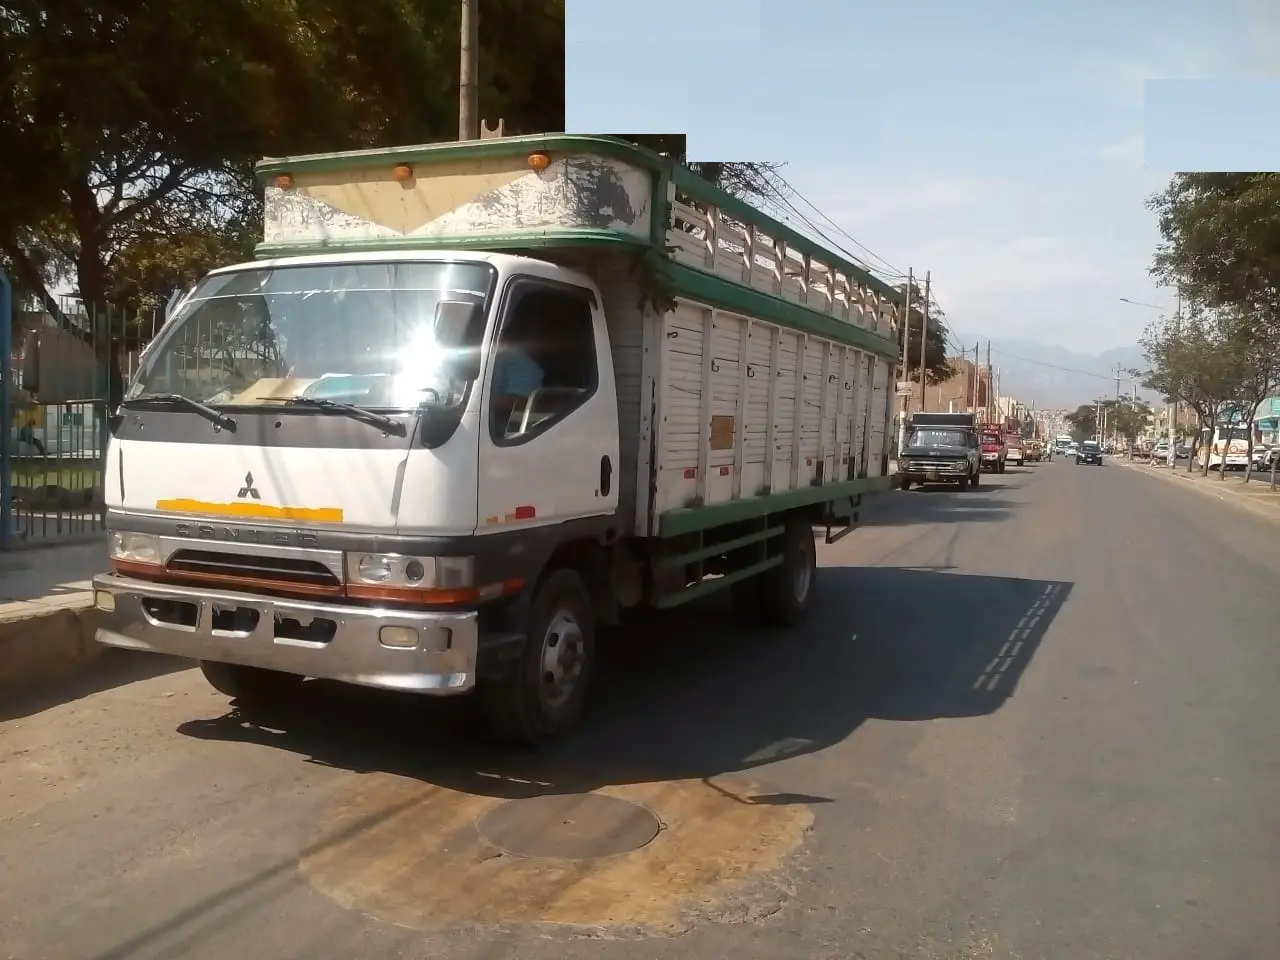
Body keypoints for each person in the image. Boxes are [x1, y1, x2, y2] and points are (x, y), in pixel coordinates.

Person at [490, 341, 544, 435]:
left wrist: (479, 399)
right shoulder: (492, 360)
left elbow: (517, 403)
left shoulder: (527, 368)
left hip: (510, 430)